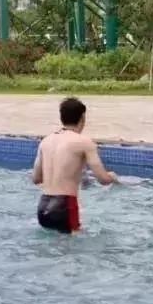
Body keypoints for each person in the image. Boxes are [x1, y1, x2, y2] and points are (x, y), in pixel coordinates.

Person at [32, 96, 119, 234]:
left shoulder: (46, 141)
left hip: (43, 207)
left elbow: (36, 179)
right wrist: (112, 177)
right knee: (71, 252)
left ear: (62, 118)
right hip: (65, 206)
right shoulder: (84, 142)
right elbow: (103, 180)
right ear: (82, 118)